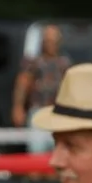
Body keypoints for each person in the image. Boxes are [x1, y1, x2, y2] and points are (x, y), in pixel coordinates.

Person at [12, 23, 71, 153]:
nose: (51, 44)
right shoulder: (33, 62)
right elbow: (22, 83)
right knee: (36, 149)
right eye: (48, 40)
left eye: (54, 41)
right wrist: (18, 107)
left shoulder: (64, 62)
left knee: (55, 149)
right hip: (37, 110)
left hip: (58, 111)